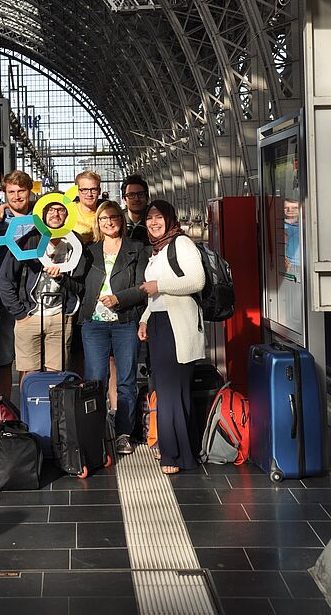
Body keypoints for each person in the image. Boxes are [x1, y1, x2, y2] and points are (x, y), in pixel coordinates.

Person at [137, 200, 205, 474]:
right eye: (149, 218)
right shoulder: (158, 249)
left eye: (158, 217)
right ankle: (182, 452)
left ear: (169, 218)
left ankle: (173, 455)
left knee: (171, 393)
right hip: (159, 323)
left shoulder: (182, 244)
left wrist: (159, 285)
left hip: (177, 327)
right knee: (169, 392)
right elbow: (155, 297)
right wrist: (144, 319)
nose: (153, 222)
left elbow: (197, 281)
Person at [76, 200, 146, 455]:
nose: (109, 221)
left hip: (125, 321)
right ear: (98, 222)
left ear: (121, 219)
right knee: (96, 380)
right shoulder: (88, 251)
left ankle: (123, 433)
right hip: (94, 323)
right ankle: (95, 431)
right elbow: (79, 285)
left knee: (126, 379)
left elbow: (142, 287)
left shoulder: (137, 250)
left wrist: (120, 299)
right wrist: (60, 276)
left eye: (113, 216)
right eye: (103, 218)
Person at [0, 200, 81, 381]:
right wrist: (19, 313)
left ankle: (52, 410)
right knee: (29, 375)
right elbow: (4, 278)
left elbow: (81, 282)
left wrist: (69, 307)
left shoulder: (74, 242)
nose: (55, 214)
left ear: (68, 214)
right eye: (50, 210)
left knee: (57, 376)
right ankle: (29, 409)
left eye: (60, 210)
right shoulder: (29, 240)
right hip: (30, 314)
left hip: (60, 316)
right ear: (42, 214)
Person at [0, 170, 35, 398]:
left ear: (30, 191)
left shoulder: (42, 216)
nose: (17, 196)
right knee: (3, 358)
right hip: (4, 297)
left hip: (34, 296)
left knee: (29, 360)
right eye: (11, 192)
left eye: (21, 191)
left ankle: (29, 409)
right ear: (4, 193)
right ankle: (3, 409)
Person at [73, 170, 102, 244]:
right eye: (84, 190)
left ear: (99, 191)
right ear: (77, 191)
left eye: (93, 189)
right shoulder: (68, 211)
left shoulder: (107, 213)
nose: (89, 194)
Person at [121, 174, 150, 244]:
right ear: (124, 200)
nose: (136, 199)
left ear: (147, 198)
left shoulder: (156, 223)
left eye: (140, 194)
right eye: (131, 195)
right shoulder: (117, 222)